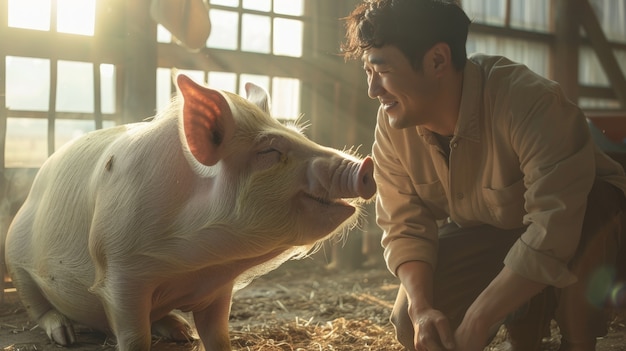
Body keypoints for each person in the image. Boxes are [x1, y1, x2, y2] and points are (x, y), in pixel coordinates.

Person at [340, 0, 626, 350]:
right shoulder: (393, 122)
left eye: (381, 71)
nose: (373, 90)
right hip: (494, 227)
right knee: (411, 326)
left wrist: (479, 318)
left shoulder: (529, 102)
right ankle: (524, 317)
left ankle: (576, 336)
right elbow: (404, 225)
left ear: (438, 61)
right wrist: (421, 310)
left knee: (593, 206)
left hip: (586, 223)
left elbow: (554, 226)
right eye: (368, 72)